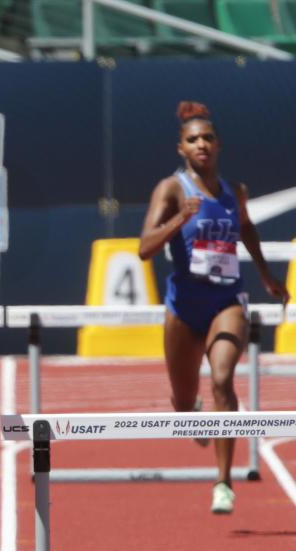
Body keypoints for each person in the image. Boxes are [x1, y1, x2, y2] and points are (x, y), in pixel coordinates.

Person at [138, 101, 288, 514]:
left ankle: (223, 482)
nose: (201, 144)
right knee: (184, 401)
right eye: (192, 140)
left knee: (223, 379)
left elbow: (246, 227)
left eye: (207, 138)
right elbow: (144, 249)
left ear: (218, 144)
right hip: (184, 307)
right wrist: (178, 220)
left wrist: (266, 276)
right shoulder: (171, 190)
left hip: (227, 299)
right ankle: (193, 412)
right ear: (181, 149)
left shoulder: (232, 192)